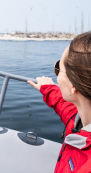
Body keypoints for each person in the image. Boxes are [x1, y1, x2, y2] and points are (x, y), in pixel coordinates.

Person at [28, 32, 91, 173]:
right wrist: (48, 89)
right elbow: (65, 107)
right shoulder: (79, 119)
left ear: (74, 85)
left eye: (59, 69)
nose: (56, 75)